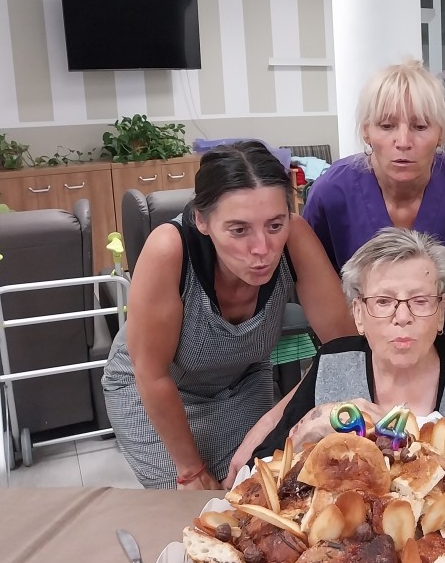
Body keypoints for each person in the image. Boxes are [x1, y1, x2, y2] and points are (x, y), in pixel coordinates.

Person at [102, 141, 355, 490]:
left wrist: (275, 420)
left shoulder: (296, 238)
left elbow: (345, 349)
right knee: (188, 504)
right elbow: (151, 373)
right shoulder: (169, 249)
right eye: (239, 230)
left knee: (262, 491)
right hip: (156, 390)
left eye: (274, 225)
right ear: (202, 220)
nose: (262, 249)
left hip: (242, 381)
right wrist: (191, 470)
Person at [230, 227, 445, 482]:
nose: (402, 317)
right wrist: (312, 425)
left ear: (441, 312)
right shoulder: (332, 363)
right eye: (383, 302)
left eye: (420, 301)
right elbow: (258, 470)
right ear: (358, 313)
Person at [304, 61, 445, 344]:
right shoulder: (330, 194)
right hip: (363, 345)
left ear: (440, 133)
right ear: (366, 132)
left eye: (420, 126)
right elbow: (318, 292)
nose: (403, 141)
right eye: (386, 126)